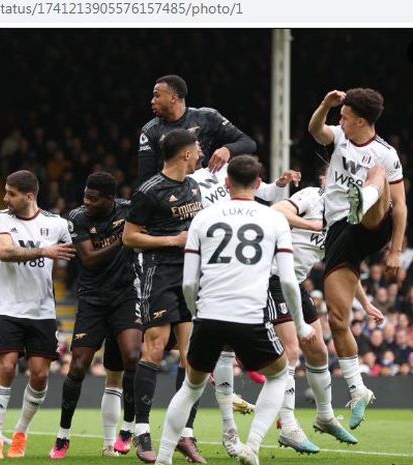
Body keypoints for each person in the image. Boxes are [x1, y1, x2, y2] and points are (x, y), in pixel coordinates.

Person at [154, 155, 316, 465]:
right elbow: (288, 281)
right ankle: (251, 446)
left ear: (226, 183)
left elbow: (189, 282)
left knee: (190, 387)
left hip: (209, 315)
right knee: (279, 375)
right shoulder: (274, 219)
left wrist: (196, 312)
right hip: (249, 317)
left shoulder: (203, 217)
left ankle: (163, 458)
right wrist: (301, 324)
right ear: (258, 184)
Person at [308, 88, 407, 429]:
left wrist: (395, 250)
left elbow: (403, 207)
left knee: (376, 174)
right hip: (339, 231)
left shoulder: (386, 153)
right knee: (336, 318)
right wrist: (325, 103)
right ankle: (358, 389)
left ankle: (362, 198)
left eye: (345, 116)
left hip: (373, 222)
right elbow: (314, 130)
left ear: (361, 120)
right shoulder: (338, 138)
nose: (340, 120)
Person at [262, 179, 383, 454]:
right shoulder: (312, 197)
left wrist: (365, 304)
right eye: (337, 174)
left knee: (317, 350)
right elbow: (276, 210)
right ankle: (289, 427)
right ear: (325, 179)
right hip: (272, 279)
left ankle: (325, 416)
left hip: (297, 285)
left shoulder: (344, 219)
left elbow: (343, 267)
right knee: (291, 353)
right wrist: (313, 225)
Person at [122, 129, 203, 463]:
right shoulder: (149, 191)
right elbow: (129, 237)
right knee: (154, 348)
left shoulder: (194, 186)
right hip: (160, 274)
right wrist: (173, 241)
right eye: (197, 148)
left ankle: (186, 433)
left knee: (191, 357)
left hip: (190, 277)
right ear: (184, 153)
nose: (201, 152)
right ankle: (142, 431)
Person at [49, 172, 142, 459]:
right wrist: (123, 238)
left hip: (125, 295)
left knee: (132, 358)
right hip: (92, 300)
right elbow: (88, 260)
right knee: (77, 366)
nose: (86, 201)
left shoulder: (129, 209)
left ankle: (127, 429)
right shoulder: (78, 217)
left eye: (93, 197)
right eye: (85, 195)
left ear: (110, 199)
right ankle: (63, 436)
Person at [0, 170, 75, 459]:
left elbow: (78, 249)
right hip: (9, 308)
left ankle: (21, 432)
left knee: (39, 375)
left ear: (29, 196)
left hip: (43, 311)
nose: (5, 198)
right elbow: (4, 252)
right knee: (7, 367)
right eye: (6, 192)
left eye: (11, 193)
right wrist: (44, 252)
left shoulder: (57, 224)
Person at [137, 74, 256, 184]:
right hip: (168, 192)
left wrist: (228, 149)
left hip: (204, 189)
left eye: (157, 95)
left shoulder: (207, 116)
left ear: (173, 98)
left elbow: (248, 143)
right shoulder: (149, 131)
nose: (152, 101)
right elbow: (145, 179)